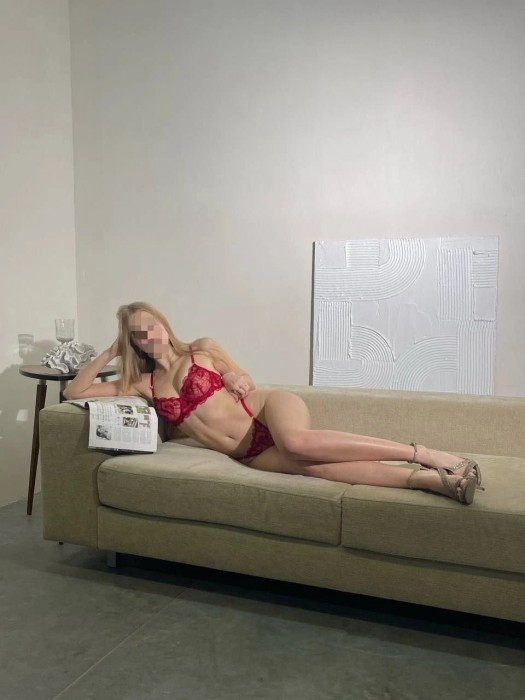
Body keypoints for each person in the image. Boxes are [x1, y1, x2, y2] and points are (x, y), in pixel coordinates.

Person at [63, 301, 483, 505]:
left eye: (151, 326)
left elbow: (242, 378)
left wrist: (234, 375)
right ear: (133, 342)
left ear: (163, 324)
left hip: (264, 410)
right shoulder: (144, 384)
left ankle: (425, 455)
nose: (149, 336)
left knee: (298, 444)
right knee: (316, 469)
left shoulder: (201, 349)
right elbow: (74, 392)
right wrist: (110, 351)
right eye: (138, 334)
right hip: (248, 452)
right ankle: (428, 482)